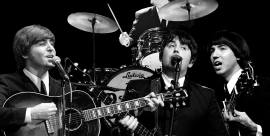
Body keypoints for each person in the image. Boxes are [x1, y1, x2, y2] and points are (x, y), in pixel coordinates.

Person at [118, 28, 229, 136]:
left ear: (191, 62)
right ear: (161, 56)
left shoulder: (206, 96)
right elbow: (114, 130)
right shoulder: (137, 87)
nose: (176, 50)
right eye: (171, 46)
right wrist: (124, 131)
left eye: (183, 47)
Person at [0, 25, 71, 136]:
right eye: (42, 44)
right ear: (25, 53)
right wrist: (31, 113)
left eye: (51, 43)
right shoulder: (6, 82)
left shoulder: (65, 86)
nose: (51, 48)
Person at [207, 30, 270, 136]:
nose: (214, 55)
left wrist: (255, 129)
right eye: (212, 50)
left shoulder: (264, 86)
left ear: (238, 54)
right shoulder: (214, 96)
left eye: (222, 48)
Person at [119, 0, 192, 48]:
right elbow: (132, 37)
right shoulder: (142, 15)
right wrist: (126, 41)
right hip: (150, 60)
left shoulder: (182, 14)